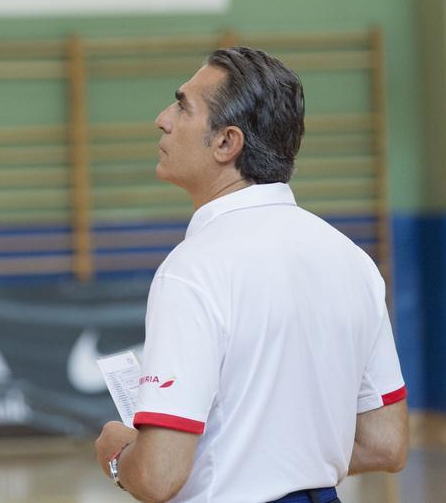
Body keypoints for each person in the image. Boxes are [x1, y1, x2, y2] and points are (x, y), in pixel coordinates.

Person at [94, 47, 408, 502]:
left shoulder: (191, 271)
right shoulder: (352, 259)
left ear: (227, 143)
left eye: (183, 106)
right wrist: (267, 456)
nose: (163, 119)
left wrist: (118, 454)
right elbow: (386, 443)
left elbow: (159, 475)